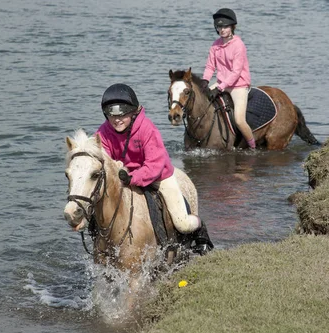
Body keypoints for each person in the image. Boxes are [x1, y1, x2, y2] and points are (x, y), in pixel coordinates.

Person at [96, 83, 204, 237]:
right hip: (124, 178)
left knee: (183, 223)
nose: (117, 120)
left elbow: (154, 165)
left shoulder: (147, 129)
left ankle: (200, 231)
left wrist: (131, 178)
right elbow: (100, 157)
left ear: (133, 112)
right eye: (111, 115)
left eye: (122, 114)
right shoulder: (104, 132)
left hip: (158, 177)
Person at [202, 8, 256, 149]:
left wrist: (220, 88)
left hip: (238, 85)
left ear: (232, 27)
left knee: (239, 120)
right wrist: (205, 81)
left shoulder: (239, 45)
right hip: (221, 82)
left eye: (225, 26)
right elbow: (209, 67)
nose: (222, 29)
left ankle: (252, 146)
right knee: (201, 103)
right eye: (219, 27)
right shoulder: (215, 45)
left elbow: (236, 72)